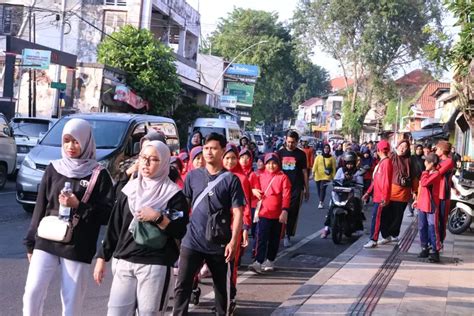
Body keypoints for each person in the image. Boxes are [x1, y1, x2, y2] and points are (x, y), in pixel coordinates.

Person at [23, 118, 114, 315]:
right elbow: (40, 206)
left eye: (76, 141)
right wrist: (30, 242)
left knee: (71, 301)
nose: (70, 146)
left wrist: (78, 206)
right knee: (32, 293)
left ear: (86, 141)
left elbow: (107, 215)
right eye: (66, 140)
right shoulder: (53, 168)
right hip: (47, 239)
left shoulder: (99, 175)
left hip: (78, 245)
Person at [94, 141, 189, 315]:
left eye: (153, 159)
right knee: (116, 312)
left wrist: (158, 218)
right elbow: (114, 227)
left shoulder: (173, 195)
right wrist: (102, 257)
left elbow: (180, 230)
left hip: (155, 264)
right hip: (125, 262)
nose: (146, 163)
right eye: (143, 158)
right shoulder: (129, 189)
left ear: (164, 163)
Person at [173, 133, 245, 316]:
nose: (209, 152)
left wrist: (234, 241)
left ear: (222, 151)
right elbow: (184, 206)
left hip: (219, 243)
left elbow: (238, 212)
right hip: (192, 241)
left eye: (213, 148)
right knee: (182, 285)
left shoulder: (231, 180)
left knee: (222, 289)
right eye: (206, 148)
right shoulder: (193, 176)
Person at [249, 153, 291, 273]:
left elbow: (286, 196)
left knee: (274, 238)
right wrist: (253, 190)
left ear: (278, 164)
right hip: (263, 213)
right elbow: (250, 188)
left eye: (274, 163)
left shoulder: (283, 178)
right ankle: (258, 261)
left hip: (278, 215)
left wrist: (284, 210)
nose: (271, 166)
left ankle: (270, 260)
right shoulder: (259, 176)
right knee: (261, 237)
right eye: (269, 163)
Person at [222, 144, 251, 307]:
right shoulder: (216, 175)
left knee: (230, 264)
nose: (230, 161)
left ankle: (230, 297)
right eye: (227, 158)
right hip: (217, 229)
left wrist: (245, 228)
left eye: (233, 158)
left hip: (235, 228)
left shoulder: (242, 178)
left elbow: (245, 206)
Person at [379, 139, 417, 245]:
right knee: (385, 215)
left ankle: (394, 235)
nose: (402, 149)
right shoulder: (390, 157)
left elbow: (414, 177)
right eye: (401, 146)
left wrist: (415, 191)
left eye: (405, 147)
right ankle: (386, 235)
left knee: (397, 217)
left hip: (403, 194)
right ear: (397, 146)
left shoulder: (410, 160)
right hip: (389, 192)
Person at [321, 151, 363, 238]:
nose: (349, 166)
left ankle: (358, 227)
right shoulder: (340, 170)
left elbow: (360, 183)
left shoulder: (358, 172)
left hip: (352, 193)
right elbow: (336, 179)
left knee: (357, 205)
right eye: (348, 164)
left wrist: (353, 180)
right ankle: (326, 228)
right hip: (340, 191)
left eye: (351, 164)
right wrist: (343, 178)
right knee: (331, 206)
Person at [278, 130, 309, 247]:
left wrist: (306, 189)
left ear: (297, 142)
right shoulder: (279, 153)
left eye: (293, 142)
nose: (290, 144)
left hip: (296, 187)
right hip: (281, 188)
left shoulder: (301, 154)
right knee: (279, 211)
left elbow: (304, 172)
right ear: (285, 140)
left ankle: (288, 234)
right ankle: (278, 233)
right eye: (289, 142)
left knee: (292, 212)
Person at [115, 130, 167, 195]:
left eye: (153, 159)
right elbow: (119, 195)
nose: (146, 162)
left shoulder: (170, 186)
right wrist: (129, 172)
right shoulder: (136, 169)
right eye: (143, 149)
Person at [362, 140, 393, 248]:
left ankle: (373, 239)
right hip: (379, 195)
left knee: (377, 218)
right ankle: (386, 236)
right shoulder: (382, 162)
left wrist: (384, 197)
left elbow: (386, 182)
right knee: (382, 217)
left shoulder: (386, 163)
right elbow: (376, 180)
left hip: (381, 197)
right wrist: (368, 192)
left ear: (379, 150)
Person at [413, 153, 442, 263]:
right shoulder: (427, 173)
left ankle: (435, 251)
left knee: (432, 228)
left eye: (426, 161)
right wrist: (417, 200)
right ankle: (424, 247)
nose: (424, 163)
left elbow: (425, 183)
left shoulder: (435, 174)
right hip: (422, 204)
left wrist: (425, 171)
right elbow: (421, 187)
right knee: (422, 227)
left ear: (431, 163)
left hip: (431, 205)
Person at [435, 140, 454, 245]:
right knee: (435, 218)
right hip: (436, 193)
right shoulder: (440, 160)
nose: (436, 150)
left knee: (442, 219)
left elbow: (437, 173)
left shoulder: (448, 161)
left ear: (442, 150)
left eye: (437, 148)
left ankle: (440, 241)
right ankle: (435, 240)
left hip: (443, 194)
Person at [312, 144, 336, 209]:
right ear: (323, 149)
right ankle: (321, 199)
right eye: (325, 148)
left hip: (326, 176)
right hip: (318, 175)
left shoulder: (332, 158)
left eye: (327, 148)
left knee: (322, 188)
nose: (326, 149)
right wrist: (313, 173)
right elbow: (315, 165)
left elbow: (333, 168)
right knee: (319, 190)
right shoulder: (318, 157)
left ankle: (321, 202)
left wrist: (334, 178)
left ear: (329, 149)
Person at [408, 144, 425, 217]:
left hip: (421, 179)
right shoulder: (411, 158)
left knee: (419, 195)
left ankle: (418, 209)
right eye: (417, 149)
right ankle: (411, 211)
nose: (419, 150)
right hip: (412, 178)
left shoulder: (423, 159)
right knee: (411, 195)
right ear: (415, 150)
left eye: (420, 149)